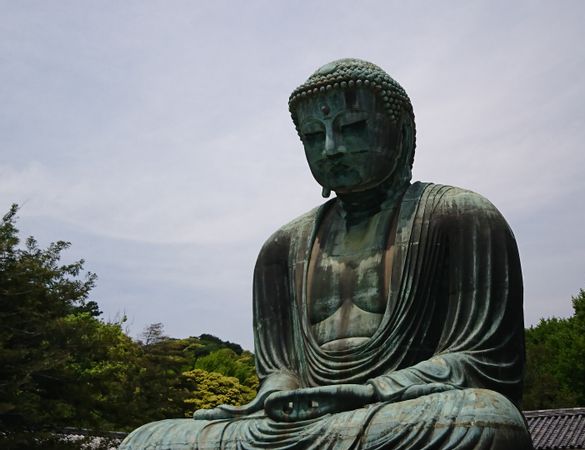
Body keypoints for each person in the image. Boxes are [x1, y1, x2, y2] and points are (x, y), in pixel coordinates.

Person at [120, 58, 533, 450]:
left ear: (401, 132)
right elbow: (281, 370)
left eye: (351, 127)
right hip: (305, 422)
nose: (331, 148)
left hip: (396, 412)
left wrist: (370, 392)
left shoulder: (460, 216)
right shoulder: (281, 248)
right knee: (146, 440)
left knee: (486, 422)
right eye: (314, 136)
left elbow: (483, 363)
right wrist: (277, 395)